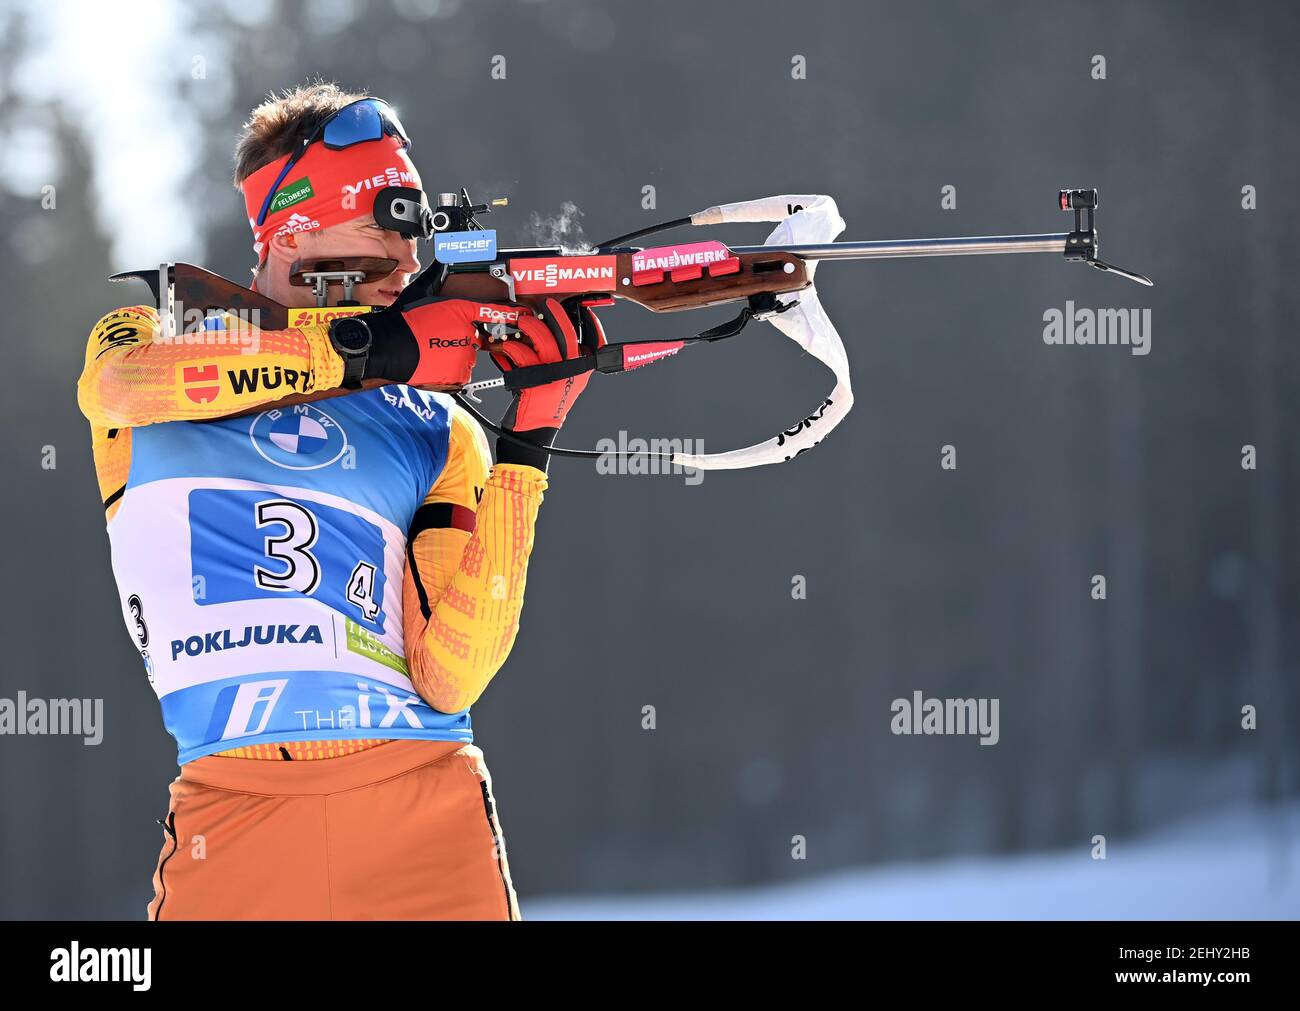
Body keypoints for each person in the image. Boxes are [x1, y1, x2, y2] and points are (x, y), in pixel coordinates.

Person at [77, 83, 602, 920]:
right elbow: (120, 388)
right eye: (383, 223)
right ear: (293, 230)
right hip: (233, 824)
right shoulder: (146, 341)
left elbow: (450, 673)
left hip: (423, 819)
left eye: (416, 228)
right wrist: (369, 346)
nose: (407, 258)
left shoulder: (436, 422)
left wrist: (527, 445)